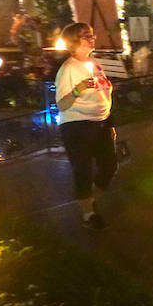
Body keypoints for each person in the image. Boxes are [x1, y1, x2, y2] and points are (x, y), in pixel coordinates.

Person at [54, 22, 116, 230]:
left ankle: (90, 199)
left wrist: (109, 122)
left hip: (101, 123)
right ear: (74, 41)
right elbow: (62, 104)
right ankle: (88, 214)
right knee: (83, 170)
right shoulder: (68, 69)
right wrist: (78, 89)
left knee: (110, 165)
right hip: (77, 125)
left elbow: (105, 94)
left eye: (91, 34)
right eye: (85, 35)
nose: (92, 37)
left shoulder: (94, 64)